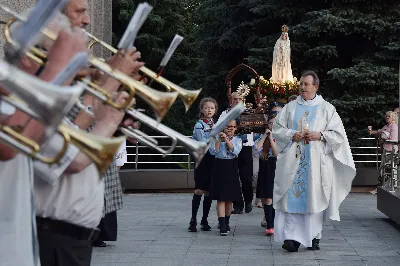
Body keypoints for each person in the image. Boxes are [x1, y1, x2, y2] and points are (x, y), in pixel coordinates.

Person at [0, 13, 89, 266]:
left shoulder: (15, 101)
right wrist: (61, 68)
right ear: (29, 56)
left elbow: (32, 137)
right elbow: (10, 144)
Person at [272, 70, 356, 252]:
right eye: (301, 84)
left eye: (306, 84)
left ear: (315, 87)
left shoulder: (327, 109)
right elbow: (277, 129)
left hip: (316, 163)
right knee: (291, 199)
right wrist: (291, 134)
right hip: (292, 162)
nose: (302, 87)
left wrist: (321, 135)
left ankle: (314, 236)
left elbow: (338, 135)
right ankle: (292, 238)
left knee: (314, 199)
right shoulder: (290, 107)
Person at [219, 92, 254, 214]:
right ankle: (238, 205)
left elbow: (255, 128)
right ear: (231, 100)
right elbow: (220, 126)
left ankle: (248, 200)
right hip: (231, 146)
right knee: (234, 177)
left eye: (239, 99)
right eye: (235, 99)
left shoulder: (249, 113)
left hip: (245, 146)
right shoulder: (225, 113)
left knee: (246, 177)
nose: (237, 101)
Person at [188, 97, 218, 232]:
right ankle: (193, 219)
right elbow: (203, 143)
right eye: (206, 108)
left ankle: (204, 219)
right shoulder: (199, 125)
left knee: (209, 191)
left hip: (213, 160)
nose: (209, 110)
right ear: (202, 109)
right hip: (202, 159)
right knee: (199, 189)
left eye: (212, 108)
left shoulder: (216, 124)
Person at [209, 118, 242, 236]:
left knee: (229, 198)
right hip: (219, 166)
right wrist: (219, 140)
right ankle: (221, 224)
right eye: (227, 126)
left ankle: (227, 222)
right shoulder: (216, 138)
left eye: (232, 127)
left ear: (236, 128)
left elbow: (236, 151)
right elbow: (213, 152)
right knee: (221, 198)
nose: (230, 129)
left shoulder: (238, 140)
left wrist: (227, 140)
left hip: (231, 166)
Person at [254, 114, 279, 236]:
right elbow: (256, 149)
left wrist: (272, 139)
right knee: (266, 198)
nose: (272, 125)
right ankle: (270, 224)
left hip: (276, 167)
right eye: (270, 123)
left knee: (272, 197)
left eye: (275, 123)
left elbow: (276, 153)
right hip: (264, 167)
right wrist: (265, 136)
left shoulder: (280, 137)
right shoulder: (261, 136)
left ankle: (272, 224)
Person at [368, 111, 398, 194]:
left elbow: (394, 139)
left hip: (391, 151)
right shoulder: (387, 126)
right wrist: (372, 132)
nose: (387, 117)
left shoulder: (394, 126)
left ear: (393, 118)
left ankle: (381, 188)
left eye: (389, 116)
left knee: (386, 169)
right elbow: (379, 132)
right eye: (386, 116)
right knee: (386, 169)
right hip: (385, 151)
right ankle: (387, 187)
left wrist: (384, 137)